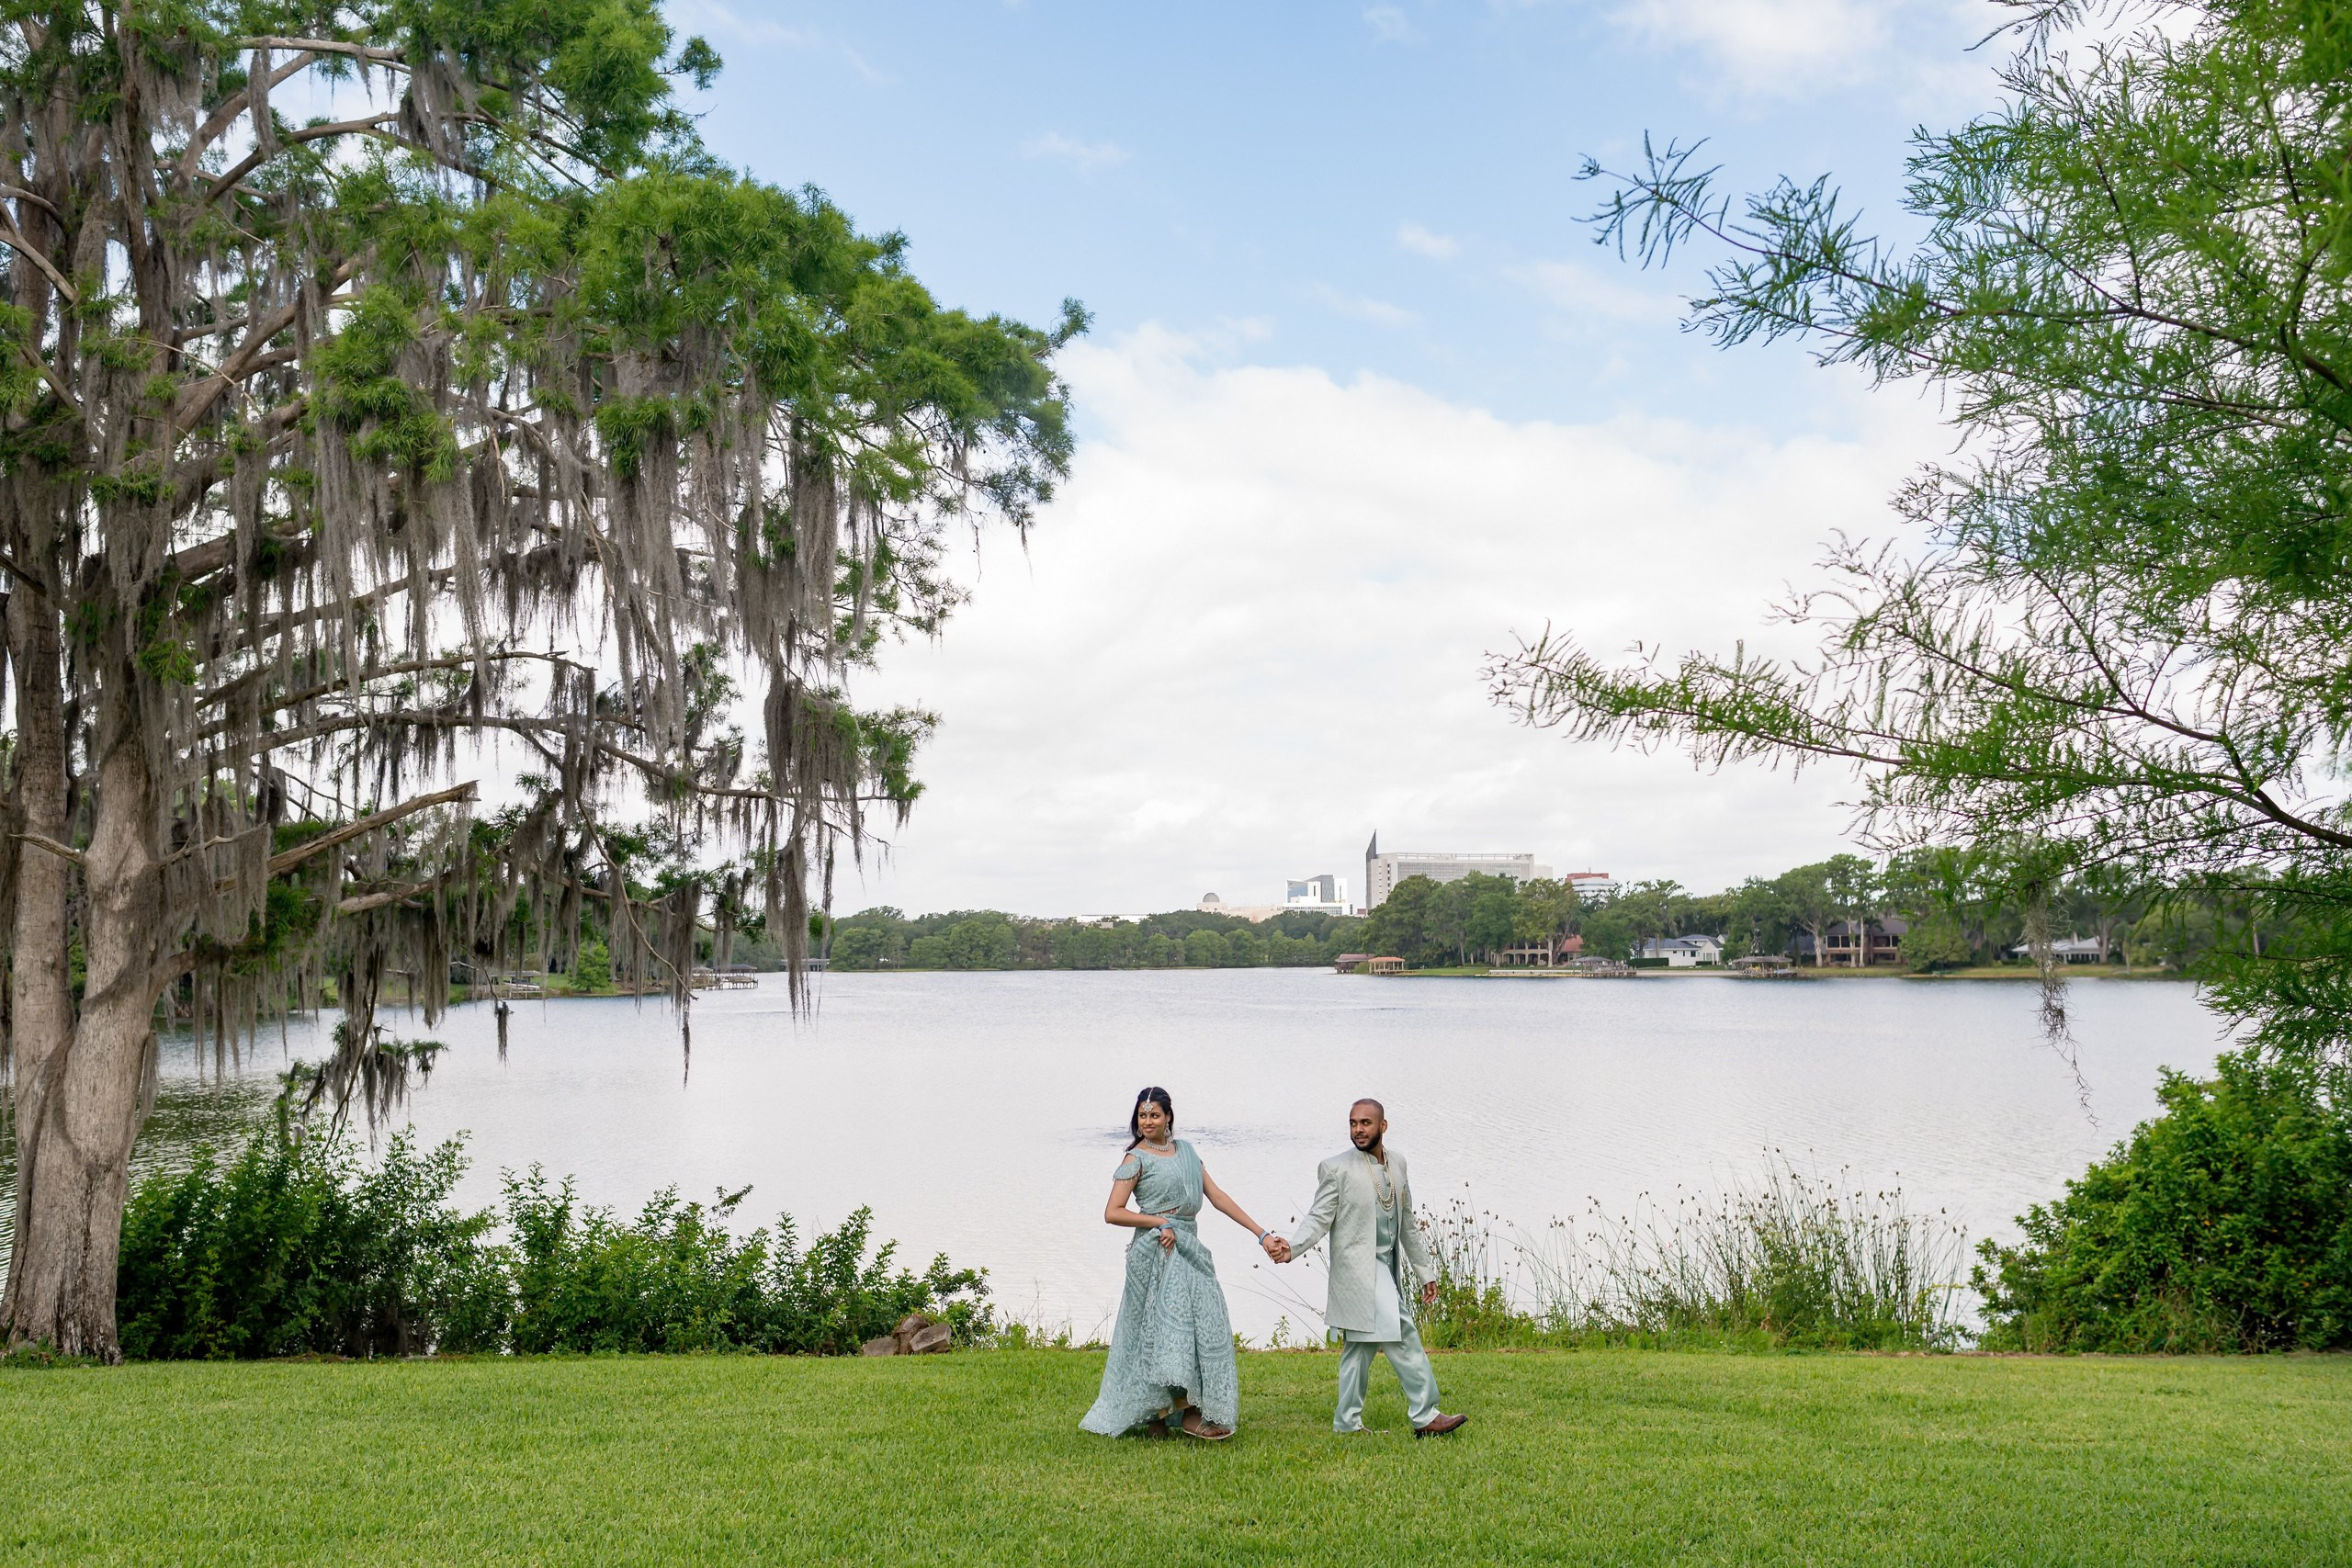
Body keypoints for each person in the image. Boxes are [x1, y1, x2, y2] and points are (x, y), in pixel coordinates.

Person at [1080, 1086, 1285, 1439]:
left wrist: (1262, 1234)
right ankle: (1162, 1414)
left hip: (1190, 1246)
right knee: (1160, 1332)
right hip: (1155, 1250)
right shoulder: (1135, 1160)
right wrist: (1159, 1222)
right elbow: (1112, 1213)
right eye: (1142, 1115)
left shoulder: (1188, 1152)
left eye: (1154, 1115)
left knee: (1202, 1324)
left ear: (1168, 1117)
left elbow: (1218, 1197)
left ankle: (1182, 1410)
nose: (1148, 1122)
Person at [1279, 1099, 1468, 1438]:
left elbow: (1407, 1222)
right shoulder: (1336, 1168)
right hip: (1356, 1272)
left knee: (1360, 1348)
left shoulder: (1398, 1163)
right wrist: (1292, 1248)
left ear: (1383, 1126)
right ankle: (1425, 1414)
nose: (1358, 1130)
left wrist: (1425, 1272)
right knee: (1403, 1330)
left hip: (1386, 1266)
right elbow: (1319, 1217)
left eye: (1365, 1123)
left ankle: (1346, 1423)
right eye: (1353, 1123)